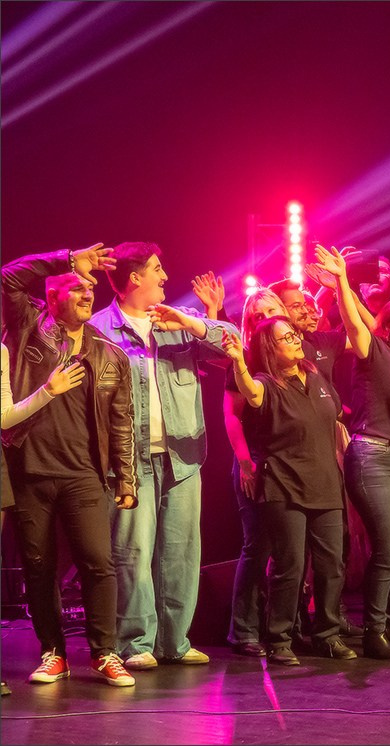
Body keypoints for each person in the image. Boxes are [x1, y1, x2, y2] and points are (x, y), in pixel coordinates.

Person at [92, 242, 236, 671]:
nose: (166, 278)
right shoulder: (99, 329)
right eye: (157, 269)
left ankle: (175, 640)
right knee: (132, 553)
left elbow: (234, 347)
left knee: (182, 550)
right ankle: (135, 644)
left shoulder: (176, 322)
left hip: (183, 455)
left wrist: (194, 322)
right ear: (134, 278)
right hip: (129, 461)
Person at [2, 244, 138, 687]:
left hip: (83, 474)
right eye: (77, 287)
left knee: (99, 562)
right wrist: (66, 259)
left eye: (91, 290)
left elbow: (122, 420)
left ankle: (105, 652)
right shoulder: (29, 328)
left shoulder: (109, 352)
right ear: (54, 293)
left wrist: (127, 477)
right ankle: (53, 652)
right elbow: (9, 278)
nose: (87, 294)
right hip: (31, 470)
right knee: (40, 568)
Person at [314, 245, 390, 660]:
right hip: (374, 457)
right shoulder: (372, 351)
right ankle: (374, 630)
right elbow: (352, 319)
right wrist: (343, 281)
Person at [223, 317, 354, 665]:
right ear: (270, 348)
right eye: (287, 337)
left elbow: (335, 417)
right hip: (284, 485)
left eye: (295, 334)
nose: (296, 340)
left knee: (331, 564)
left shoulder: (315, 376)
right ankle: (280, 639)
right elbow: (249, 393)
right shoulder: (265, 383)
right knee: (290, 565)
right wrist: (237, 360)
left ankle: (327, 635)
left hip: (325, 483)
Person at [223, 288, 288, 656]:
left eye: (273, 310)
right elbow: (232, 414)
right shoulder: (246, 359)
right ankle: (244, 630)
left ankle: (283, 626)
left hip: (291, 463)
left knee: (289, 550)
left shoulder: (297, 356)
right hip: (255, 461)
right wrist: (245, 462)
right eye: (258, 314)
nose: (266, 317)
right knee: (257, 545)